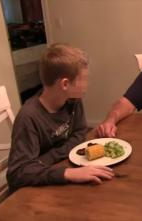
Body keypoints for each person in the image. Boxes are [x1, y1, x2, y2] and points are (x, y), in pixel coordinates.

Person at [7, 43, 114, 191]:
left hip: (51, 170)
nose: (86, 84)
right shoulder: (28, 117)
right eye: (83, 79)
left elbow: (79, 133)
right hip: (33, 190)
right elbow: (18, 173)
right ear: (65, 84)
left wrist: (46, 159)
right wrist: (67, 173)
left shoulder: (73, 100)